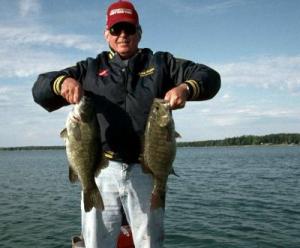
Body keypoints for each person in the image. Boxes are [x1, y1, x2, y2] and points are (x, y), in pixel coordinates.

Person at [32, 1, 221, 247]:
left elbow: (210, 77)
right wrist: (62, 82)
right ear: (106, 34)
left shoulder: (160, 63)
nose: (122, 36)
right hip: (101, 169)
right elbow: (39, 89)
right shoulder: (89, 68)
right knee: (96, 242)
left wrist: (186, 87)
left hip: (146, 171)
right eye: (116, 30)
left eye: (129, 30)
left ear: (139, 33)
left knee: (149, 241)